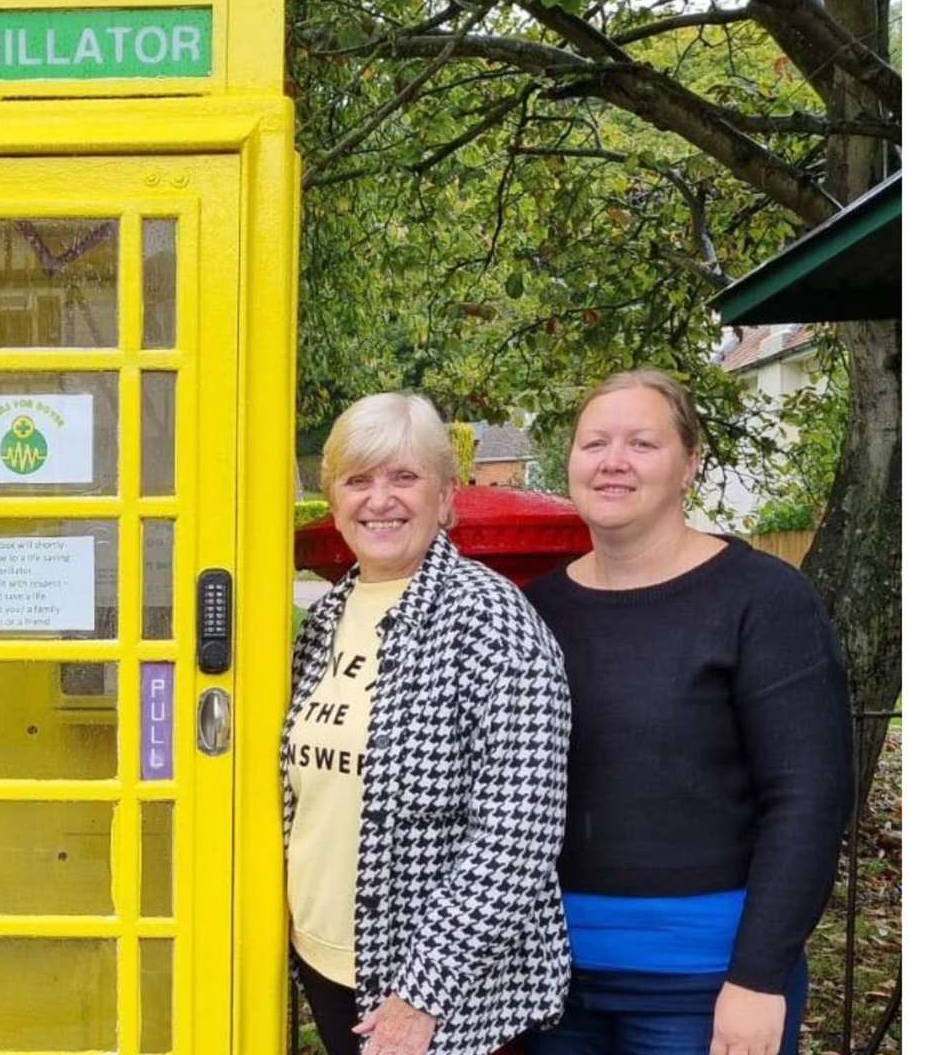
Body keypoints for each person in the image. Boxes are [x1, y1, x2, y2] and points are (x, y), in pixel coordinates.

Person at [523, 369, 851, 1055]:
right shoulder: (537, 611)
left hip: (706, 984)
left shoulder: (761, 600)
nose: (614, 462)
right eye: (595, 444)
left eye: (642, 443)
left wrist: (759, 978)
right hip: (552, 984)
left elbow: (808, 798)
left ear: (690, 464)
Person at [284, 392, 572, 1055]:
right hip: (328, 959)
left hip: (440, 991)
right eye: (358, 480)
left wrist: (421, 995)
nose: (378, 499)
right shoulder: (328, 617)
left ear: (444, 499)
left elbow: (517, 836)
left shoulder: (491, 621)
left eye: (403, 478)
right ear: (333, 500)